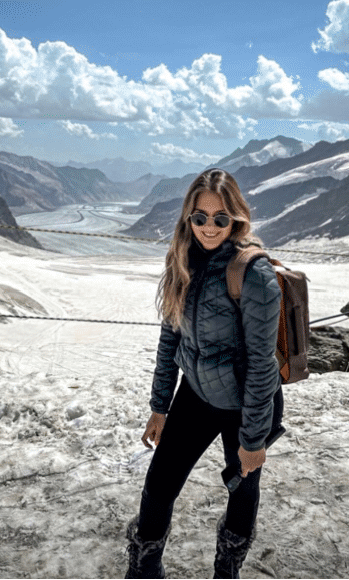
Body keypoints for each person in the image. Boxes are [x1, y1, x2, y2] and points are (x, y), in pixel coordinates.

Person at [126, 168, 280, 579]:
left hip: (245, 404)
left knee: (242, 491)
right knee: (158, 487)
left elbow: (263, 366)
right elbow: (170, 337)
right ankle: (144, 569)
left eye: (219, 218)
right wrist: (160, 406)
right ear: (187, 218)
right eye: (200, 217)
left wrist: (253, 440)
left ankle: (226, 571)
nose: (208, 227)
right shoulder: (183, 259)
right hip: (196, 394)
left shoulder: (255, 274)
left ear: (237, 220)